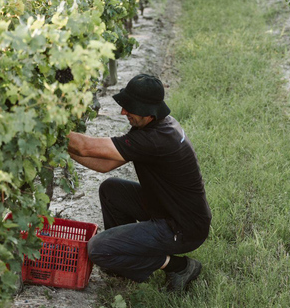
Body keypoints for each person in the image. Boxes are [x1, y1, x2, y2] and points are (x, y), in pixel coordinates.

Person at [66, 74, 211, 292]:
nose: (123, 112)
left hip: (182, 228)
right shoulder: (157, 125)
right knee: (111, 189)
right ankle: (122, 259)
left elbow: (85, 147)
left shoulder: (155, 140)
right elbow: (106, 165)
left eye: (130, 108)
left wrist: (51, 131)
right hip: (169, 210)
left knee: (97, 249)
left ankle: (179, 266)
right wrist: (63, 149)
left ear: (148, 112)